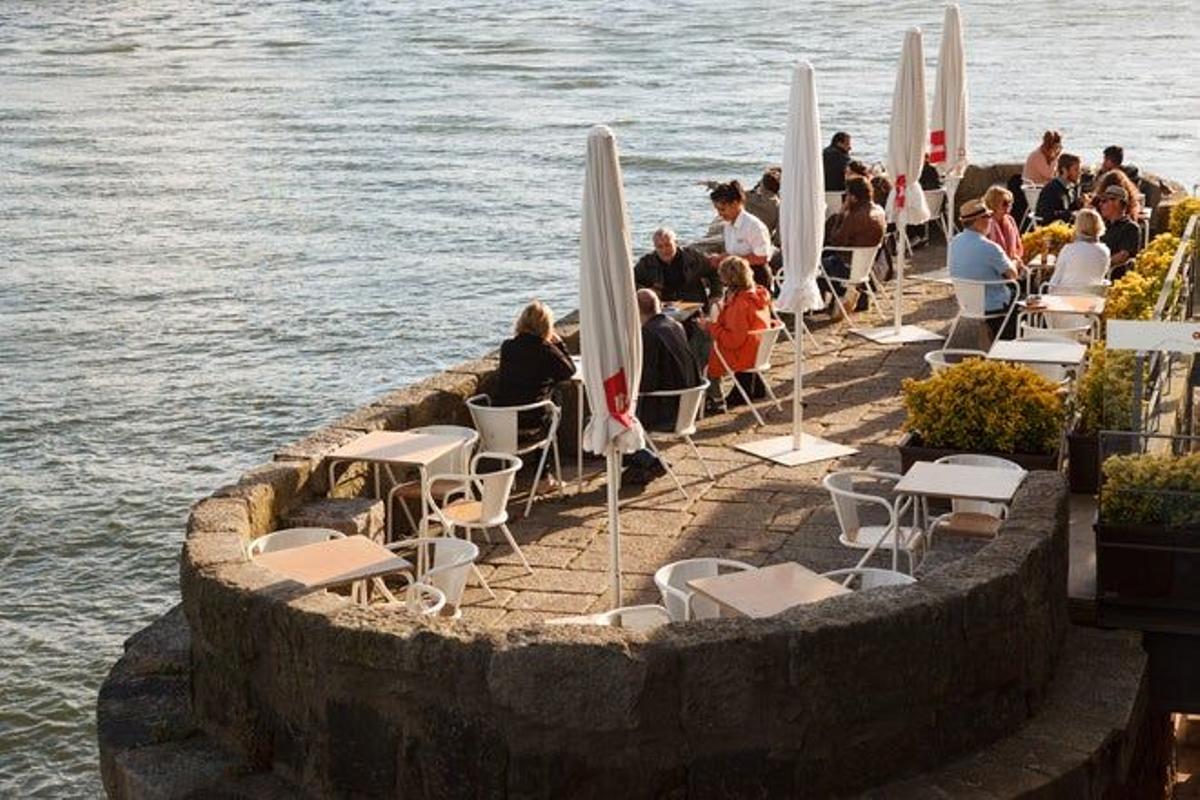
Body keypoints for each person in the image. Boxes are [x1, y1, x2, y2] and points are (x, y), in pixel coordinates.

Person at [624, 290, 702, 485]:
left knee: (617, 418)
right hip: (687, 406)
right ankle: (640, 465)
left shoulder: (648, 334)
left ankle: (648, 461)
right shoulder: (675, 325)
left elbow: (646, 385)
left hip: (667, 412)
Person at [697, 257, 772, 413]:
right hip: (758, 349)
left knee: (702, 350)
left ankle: (716, 398)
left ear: (728, 279)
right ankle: (752, 387)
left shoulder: (740, 305)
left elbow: (733, 340)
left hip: (744, 353)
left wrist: (710, 326)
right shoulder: (758, 294)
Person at [495, 300, 575, 441]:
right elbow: (569, 370)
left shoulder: (507, 347)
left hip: (502, 420)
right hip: (531, 421)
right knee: (555, 398)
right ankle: (544, 459)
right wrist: (559, 344)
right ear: (546, 326)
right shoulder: (545, 350)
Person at [949, 199, 1023, 339]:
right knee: (1024, 292)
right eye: (988, 217)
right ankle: (1011, 341)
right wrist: (1015, 261)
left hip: (966, 302)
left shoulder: (955, 241)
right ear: (978, 221)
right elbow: (1013, 275)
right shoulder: (990, 247)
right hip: (991, 304)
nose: (991, 220)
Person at [819, 176, 885, 320]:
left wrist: (841, 214)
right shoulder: (879, 211)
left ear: (853, 197)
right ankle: (848, 295)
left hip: (848, 266)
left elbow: (835, 240)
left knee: (816, 268)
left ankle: (840, 295)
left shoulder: (854, 217)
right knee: (828, 259)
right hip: (867, 266)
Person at [707, 180, 774, 289]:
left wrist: (732, 259)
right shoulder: (728, 225)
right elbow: (733, 252)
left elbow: (763, 258)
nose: (719, 214)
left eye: (722, 209)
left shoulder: (753, 225)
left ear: (735, 203)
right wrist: (721, 258)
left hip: (756, 278)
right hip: (735, 279)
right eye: (717, 209)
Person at [634, 227, 721, 306]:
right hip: (662, 307)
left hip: (693, 305)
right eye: (660, 247)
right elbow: (631, 282)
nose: (664, 250)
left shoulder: (692, 257)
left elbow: (714, 272)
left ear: (676, 243)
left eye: (668, 245)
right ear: (655, 247)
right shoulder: (646, 263)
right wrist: (648, 291)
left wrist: (715, 295)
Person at [1047, 209, 1109, 292]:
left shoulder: (1068, 249)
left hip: (1065, 298)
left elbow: (1055, 280)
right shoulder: (1105, 251)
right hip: (1094, 298)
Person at [1097, 185, 1142, 275]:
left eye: (1104, 201)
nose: (1100, 204)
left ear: (1117, 202)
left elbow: (1123, 256)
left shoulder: (1130, 228)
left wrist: (1097, 265)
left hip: (1112, 276)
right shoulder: (1103, 225)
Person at [1035, 153, 1084, 226]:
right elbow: (1045, 215)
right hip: (1054, 230)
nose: (1080, 173)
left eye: (1080, 169)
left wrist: (1080, 203)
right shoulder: (1051, 189)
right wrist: (1071, 214)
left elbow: (1067, 208)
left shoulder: (1072, 187)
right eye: (1076, 169)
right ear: (1064, 170)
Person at [982, 185, 1024, 263]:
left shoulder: (1010, 220)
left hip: (1012, 263)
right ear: (993, 204)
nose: (1008, 206)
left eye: (1010, 203)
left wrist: (1015, 260)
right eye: (1005, 203)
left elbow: (1019, 245)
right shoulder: (986, 222)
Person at [744, 167, 781, 244]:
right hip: (763, 240)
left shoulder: (748, 197)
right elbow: (779, 231)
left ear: (762, 185)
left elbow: (732, 192)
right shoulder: (778, 205)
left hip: (745, 237)